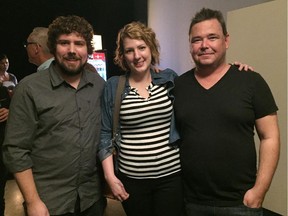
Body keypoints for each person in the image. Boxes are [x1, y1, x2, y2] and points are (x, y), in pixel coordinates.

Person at [173, 8, 280, 216]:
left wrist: (259, 191)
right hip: (191, 201)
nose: (204, 45)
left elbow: (270, 136)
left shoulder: (251, 81)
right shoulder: (178, 86)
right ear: (190, 45)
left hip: (240, 203)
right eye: (197, 40)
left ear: (226, 40)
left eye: (212, 37)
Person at [2, 15, 106, 216]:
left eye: (79, 43)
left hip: (91, 198)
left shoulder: (99, 85)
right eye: (64, 43)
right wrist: (32, 201)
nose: (72, 50)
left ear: (88, 49)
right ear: (53, 46)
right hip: (48, 202)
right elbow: (15, 150)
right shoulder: (29, 88)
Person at [98, 21, 184, 216]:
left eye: (142, 48)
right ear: (122, 55)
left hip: (171, 177)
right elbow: (104, 134)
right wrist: (110, 177)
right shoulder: (113, 86)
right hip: (132, 180)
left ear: (151, 48)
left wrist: (230, 70)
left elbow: (198, 89)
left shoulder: (169, 79)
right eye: (129, 50)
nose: (137, 56)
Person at [0, 53, 17, 216]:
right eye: (3, 62)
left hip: (8, 121)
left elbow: (17, 98)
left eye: (7, 61)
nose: (5, 64)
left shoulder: (11, 77)